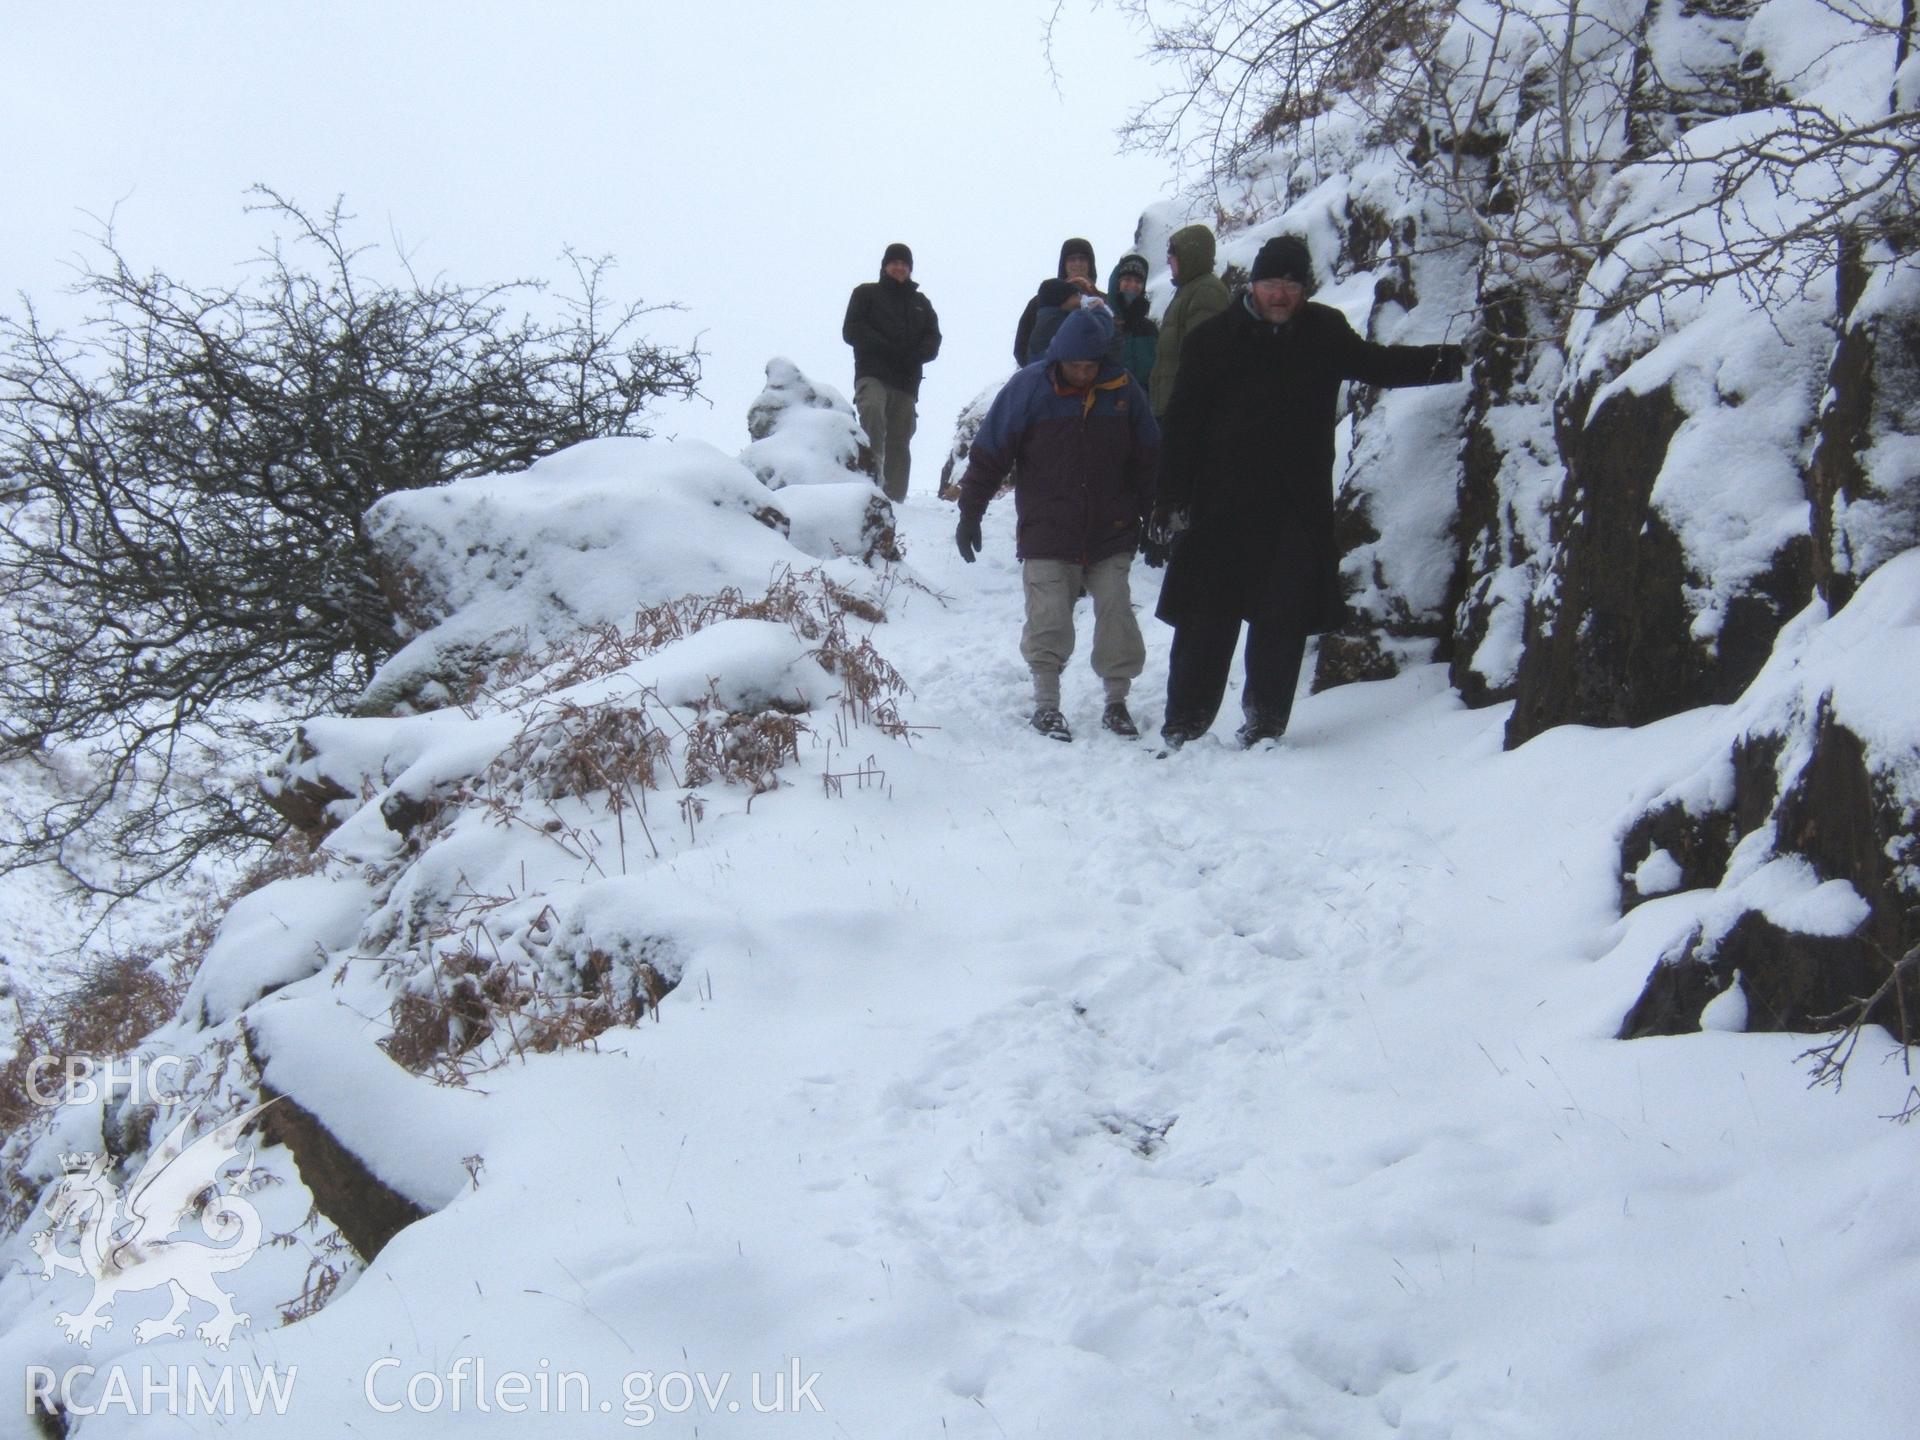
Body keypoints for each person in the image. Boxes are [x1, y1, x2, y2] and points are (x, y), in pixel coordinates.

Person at [1150, 233, 1466, 750]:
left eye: (1291, 284)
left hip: (1294, 508)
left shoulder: (1324, 331)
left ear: (1304, 289)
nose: (1280, 294)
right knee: (1205, 621)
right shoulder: (1211, 340)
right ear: (1253, 284)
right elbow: (1183, 424)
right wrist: (1168, 500)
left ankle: (1266, 724)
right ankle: (1185, 725)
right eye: (1271, 282)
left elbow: (1377, 365)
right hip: (1220, 508)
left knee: (1282, 618)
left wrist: (1455, 361)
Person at [955, 307, 1160, 743]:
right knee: (1048, 617)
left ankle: (1116, 703)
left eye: (1090, 366)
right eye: (1074, 365)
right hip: (1048, 529)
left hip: (1111, 527)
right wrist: (970, 511)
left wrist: (1154, 512)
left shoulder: (1124, 391)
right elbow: (991, 451)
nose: (1083, 373)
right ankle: (1046, 706)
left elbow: (1148, 459)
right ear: (1058, 358)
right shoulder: (1029, 388)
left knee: (1116, 611)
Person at [842, 243, 942, 503]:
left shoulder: (921, 304)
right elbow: (852, 330)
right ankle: (868, 487)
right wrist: (885, 347)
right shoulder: (866, 294)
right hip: (872, 373)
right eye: (894, 262)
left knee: (900, 439)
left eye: (904, 264)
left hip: (906, 382)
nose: (899, 268)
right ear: (885, 266)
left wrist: (916, 354)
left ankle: (894, 501)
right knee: (872, 414)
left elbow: (934, 339)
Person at [1148, 224, 1231, 421]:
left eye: (1173, 253)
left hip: (1189, 413)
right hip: (1175, 410)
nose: (1168, 260)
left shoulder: (1207, 292)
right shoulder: (1187, 290)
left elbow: (1202, 360)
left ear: (1190, 255)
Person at [1012, 238, 1102, 368]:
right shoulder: (1040, 301)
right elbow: (1021, 346)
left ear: (1090, 264)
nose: (1077, 264)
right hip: (1049, 379)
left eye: (1082, 259)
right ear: (1063, 265)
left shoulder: (1102, 301)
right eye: (1072, 259)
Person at [1106, 251, 1159, 389]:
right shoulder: (1103, 322)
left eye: (1138, 281)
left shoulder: (1150, 329)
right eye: (1127, 279)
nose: (1132, 285)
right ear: (1118, 283)